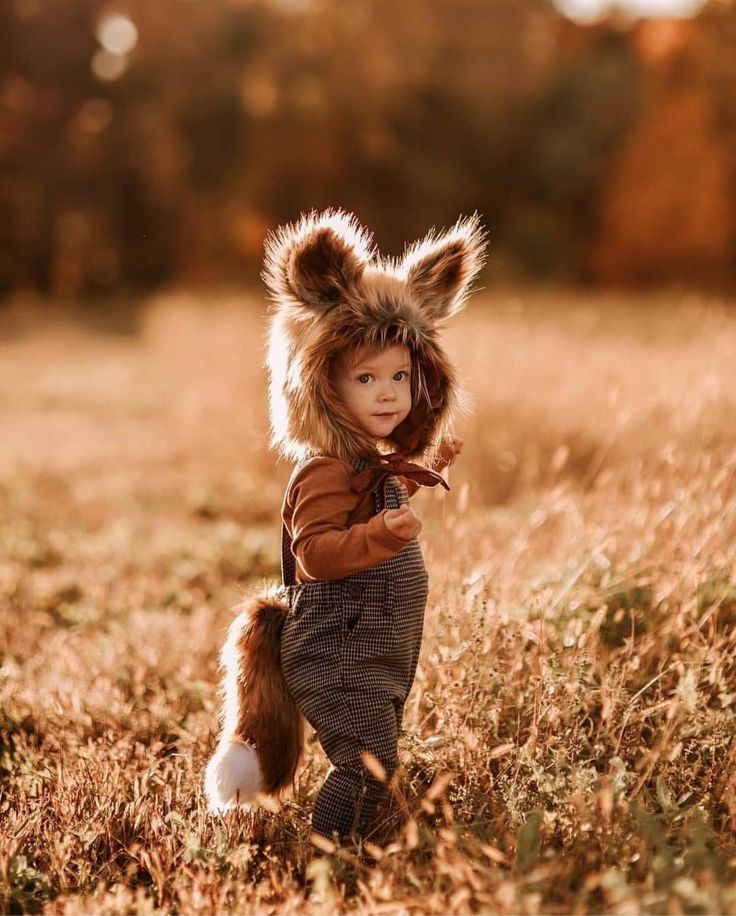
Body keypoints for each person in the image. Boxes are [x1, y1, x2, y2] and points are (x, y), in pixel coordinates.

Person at [204, 208, 486, 847]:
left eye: (401, 377)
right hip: (336, 650)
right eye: (365, 379)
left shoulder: (368, 465)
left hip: (374, 652)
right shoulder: (325, 473)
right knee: (365, 766)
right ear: (321, 386)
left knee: (377, 754)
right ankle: (329, 850)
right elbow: (317, 556)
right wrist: (385, 536)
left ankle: (356, 833)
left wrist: (426, 469)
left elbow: (375, 502)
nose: (389, 394)